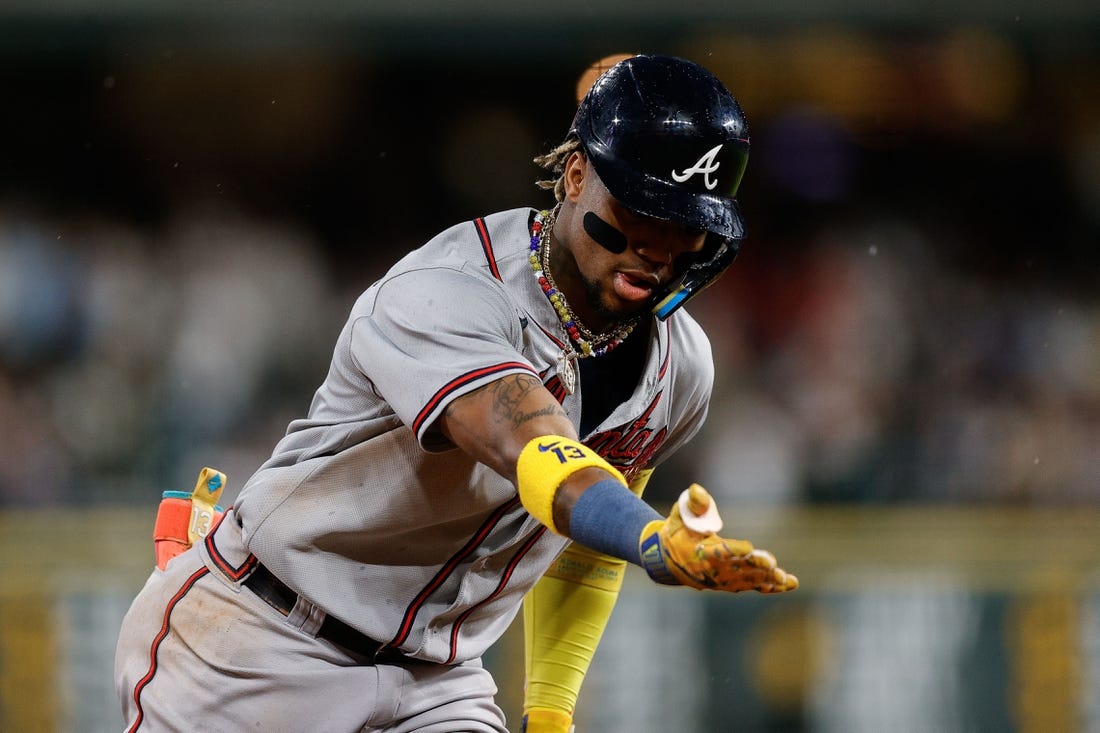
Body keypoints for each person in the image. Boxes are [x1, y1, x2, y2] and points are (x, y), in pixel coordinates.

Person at [114, 53, 798, 733]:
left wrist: (552, 711)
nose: (658, 246)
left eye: (684, 222)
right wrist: (650, 538)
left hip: (436, 682)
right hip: (260, 641)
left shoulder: (681, 366)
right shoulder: (447, 290)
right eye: (639, 207)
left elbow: (582, 544)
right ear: (576, 173)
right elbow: (535, 451)